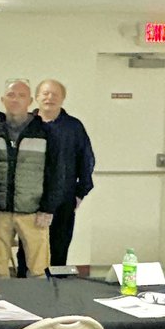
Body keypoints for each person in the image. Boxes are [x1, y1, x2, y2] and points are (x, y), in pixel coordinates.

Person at [0, 80, 66, 276]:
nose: (16, 100)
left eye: (21, 96)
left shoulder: (46, 132)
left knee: (39, 270)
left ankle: (40, 297)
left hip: (34, 213)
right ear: (2, 99)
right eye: (11, 95)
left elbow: (56, 173)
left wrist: (48, 208)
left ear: (30, 101)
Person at [34, 78, 96, 265]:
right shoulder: (28, 124)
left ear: (63, 98)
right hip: (31, 200)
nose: (50, 98)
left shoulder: (73, 127)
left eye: (55, 94)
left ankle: (57, 284)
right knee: (29, 254)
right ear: (36, 97)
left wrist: (80, 193)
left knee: (58, 251)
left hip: (64, 199)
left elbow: (86, 160)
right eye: (45, 93)